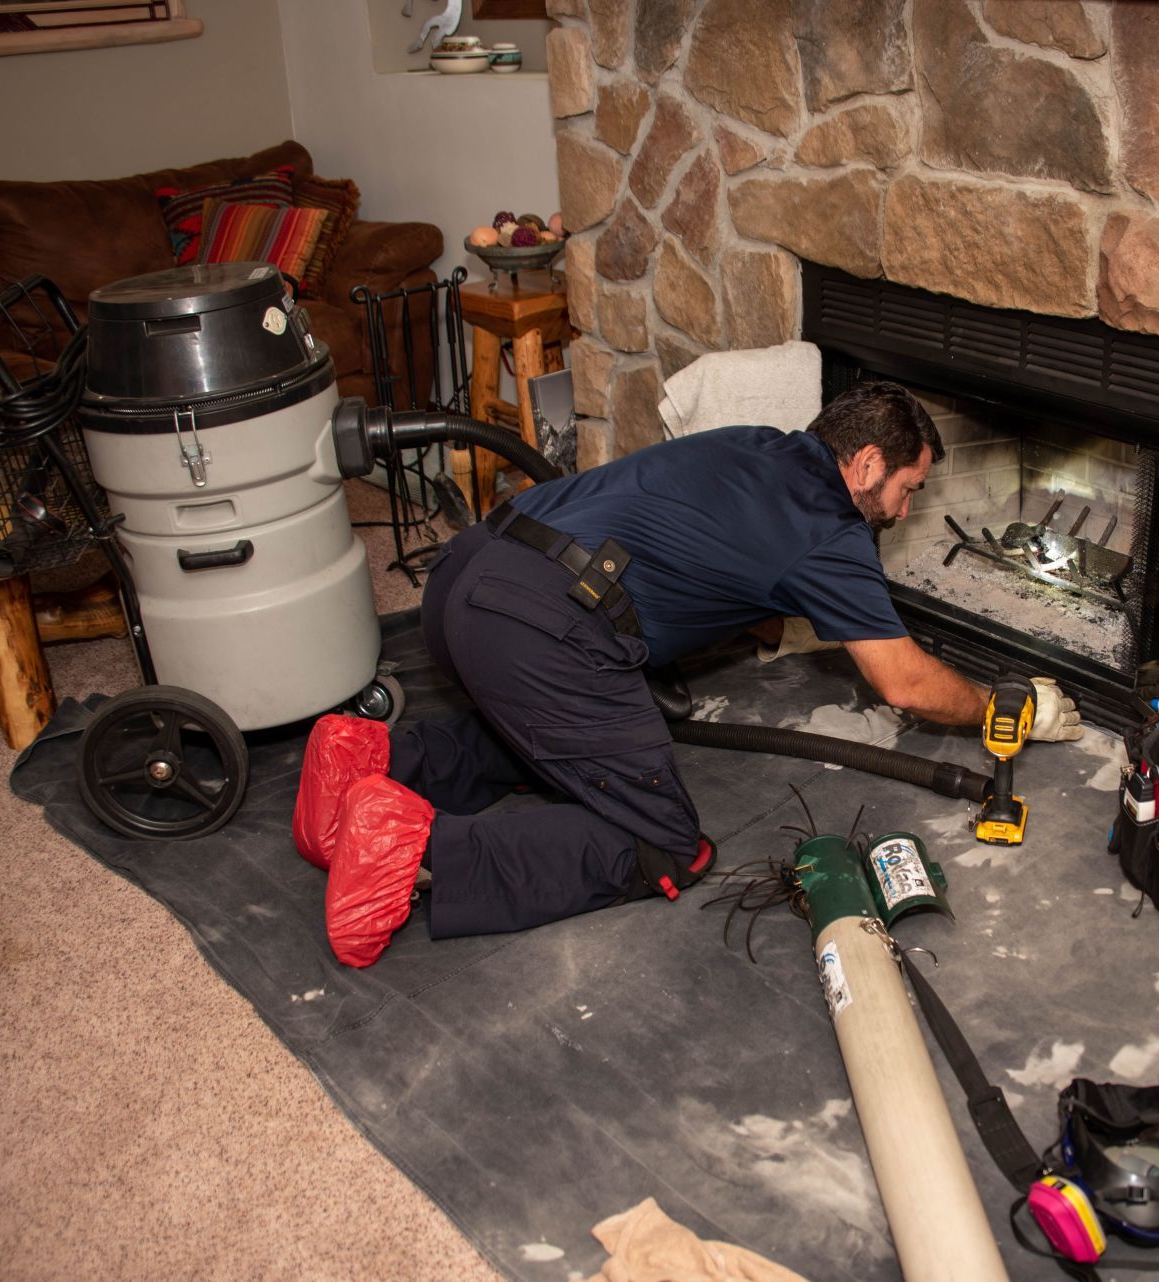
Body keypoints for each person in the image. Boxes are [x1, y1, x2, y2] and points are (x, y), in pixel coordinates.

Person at [294, 380, 1084, 967]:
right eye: (908, 490)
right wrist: (999, 705)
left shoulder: (755, 444)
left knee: (556, 734)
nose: (906, 512)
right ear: (869, 463)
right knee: (663, 845)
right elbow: (905, 684)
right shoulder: (827, 527)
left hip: (462, 582)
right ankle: (415, 852)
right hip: (537, 626)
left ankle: (366, 764)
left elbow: (705, 548)